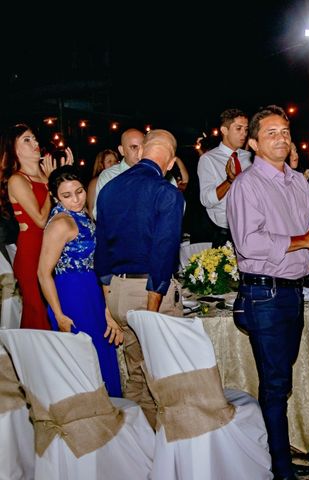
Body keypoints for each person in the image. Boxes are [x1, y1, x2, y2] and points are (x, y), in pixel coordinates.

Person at [227, 105, 309, 480]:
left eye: (285, 132)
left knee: (282, 380)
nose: (281, 138)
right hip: (264, 295)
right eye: (271, 133)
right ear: (255, 143)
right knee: (275, 385)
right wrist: (303, 240)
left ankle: (278, 455)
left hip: (293, 292)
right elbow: (248, 243)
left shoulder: (297, 181)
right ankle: (279, 468)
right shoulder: (247, 185)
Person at [95, 129, 184, 427]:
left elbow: (102, 251)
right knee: (166, 376)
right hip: (148, 294)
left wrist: (108, 305)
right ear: (170, 163)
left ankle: (141, 444)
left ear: (144, 150)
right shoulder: (166, 192)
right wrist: (151, 311)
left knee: (136, 374)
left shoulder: (108, 189)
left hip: (118, 292)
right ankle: (170, 449)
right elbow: (163, 255)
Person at [37, 165, 123, 397]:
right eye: (67, 195)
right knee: (86, 359)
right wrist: (58, 315)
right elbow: (43, 273)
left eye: (79, 191)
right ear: (55, 197)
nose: (75, 199)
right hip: (72, 295)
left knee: (101, 352)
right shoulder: (60, 224)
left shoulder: (81, 214)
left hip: (91, 290)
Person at [0, 123, 73, 329]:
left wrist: (64, 176)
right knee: (39, 313)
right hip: (32, 250)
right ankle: (34, 359)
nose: (35, 143)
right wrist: (52, 183)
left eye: (34, 138)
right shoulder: (17, 179)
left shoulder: (46, 173)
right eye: (26, 140)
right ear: (14, 149)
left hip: (55, 247)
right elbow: (40, 220)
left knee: (58, 308)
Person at [198, 108, 252, 246]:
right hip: (224, 232)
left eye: (246, 129)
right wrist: (229, 181)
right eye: (238, 128)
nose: (244, 134)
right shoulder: (209, 159)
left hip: (251, 228)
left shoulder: (249, 158)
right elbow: (206, 200)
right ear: (224, 130)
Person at [92, 128, 145, 219]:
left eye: (143, 147)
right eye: (134, 147)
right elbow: (99, 214)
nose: (140, 152)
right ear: (122, 150)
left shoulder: (158, 173)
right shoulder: (109, 176)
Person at [87, 149, 119, 220]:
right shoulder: (95, 182)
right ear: (101, 165)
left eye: (115, 161)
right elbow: (91, 209)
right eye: (109, 161)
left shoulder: (120, 179)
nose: (114, 164)